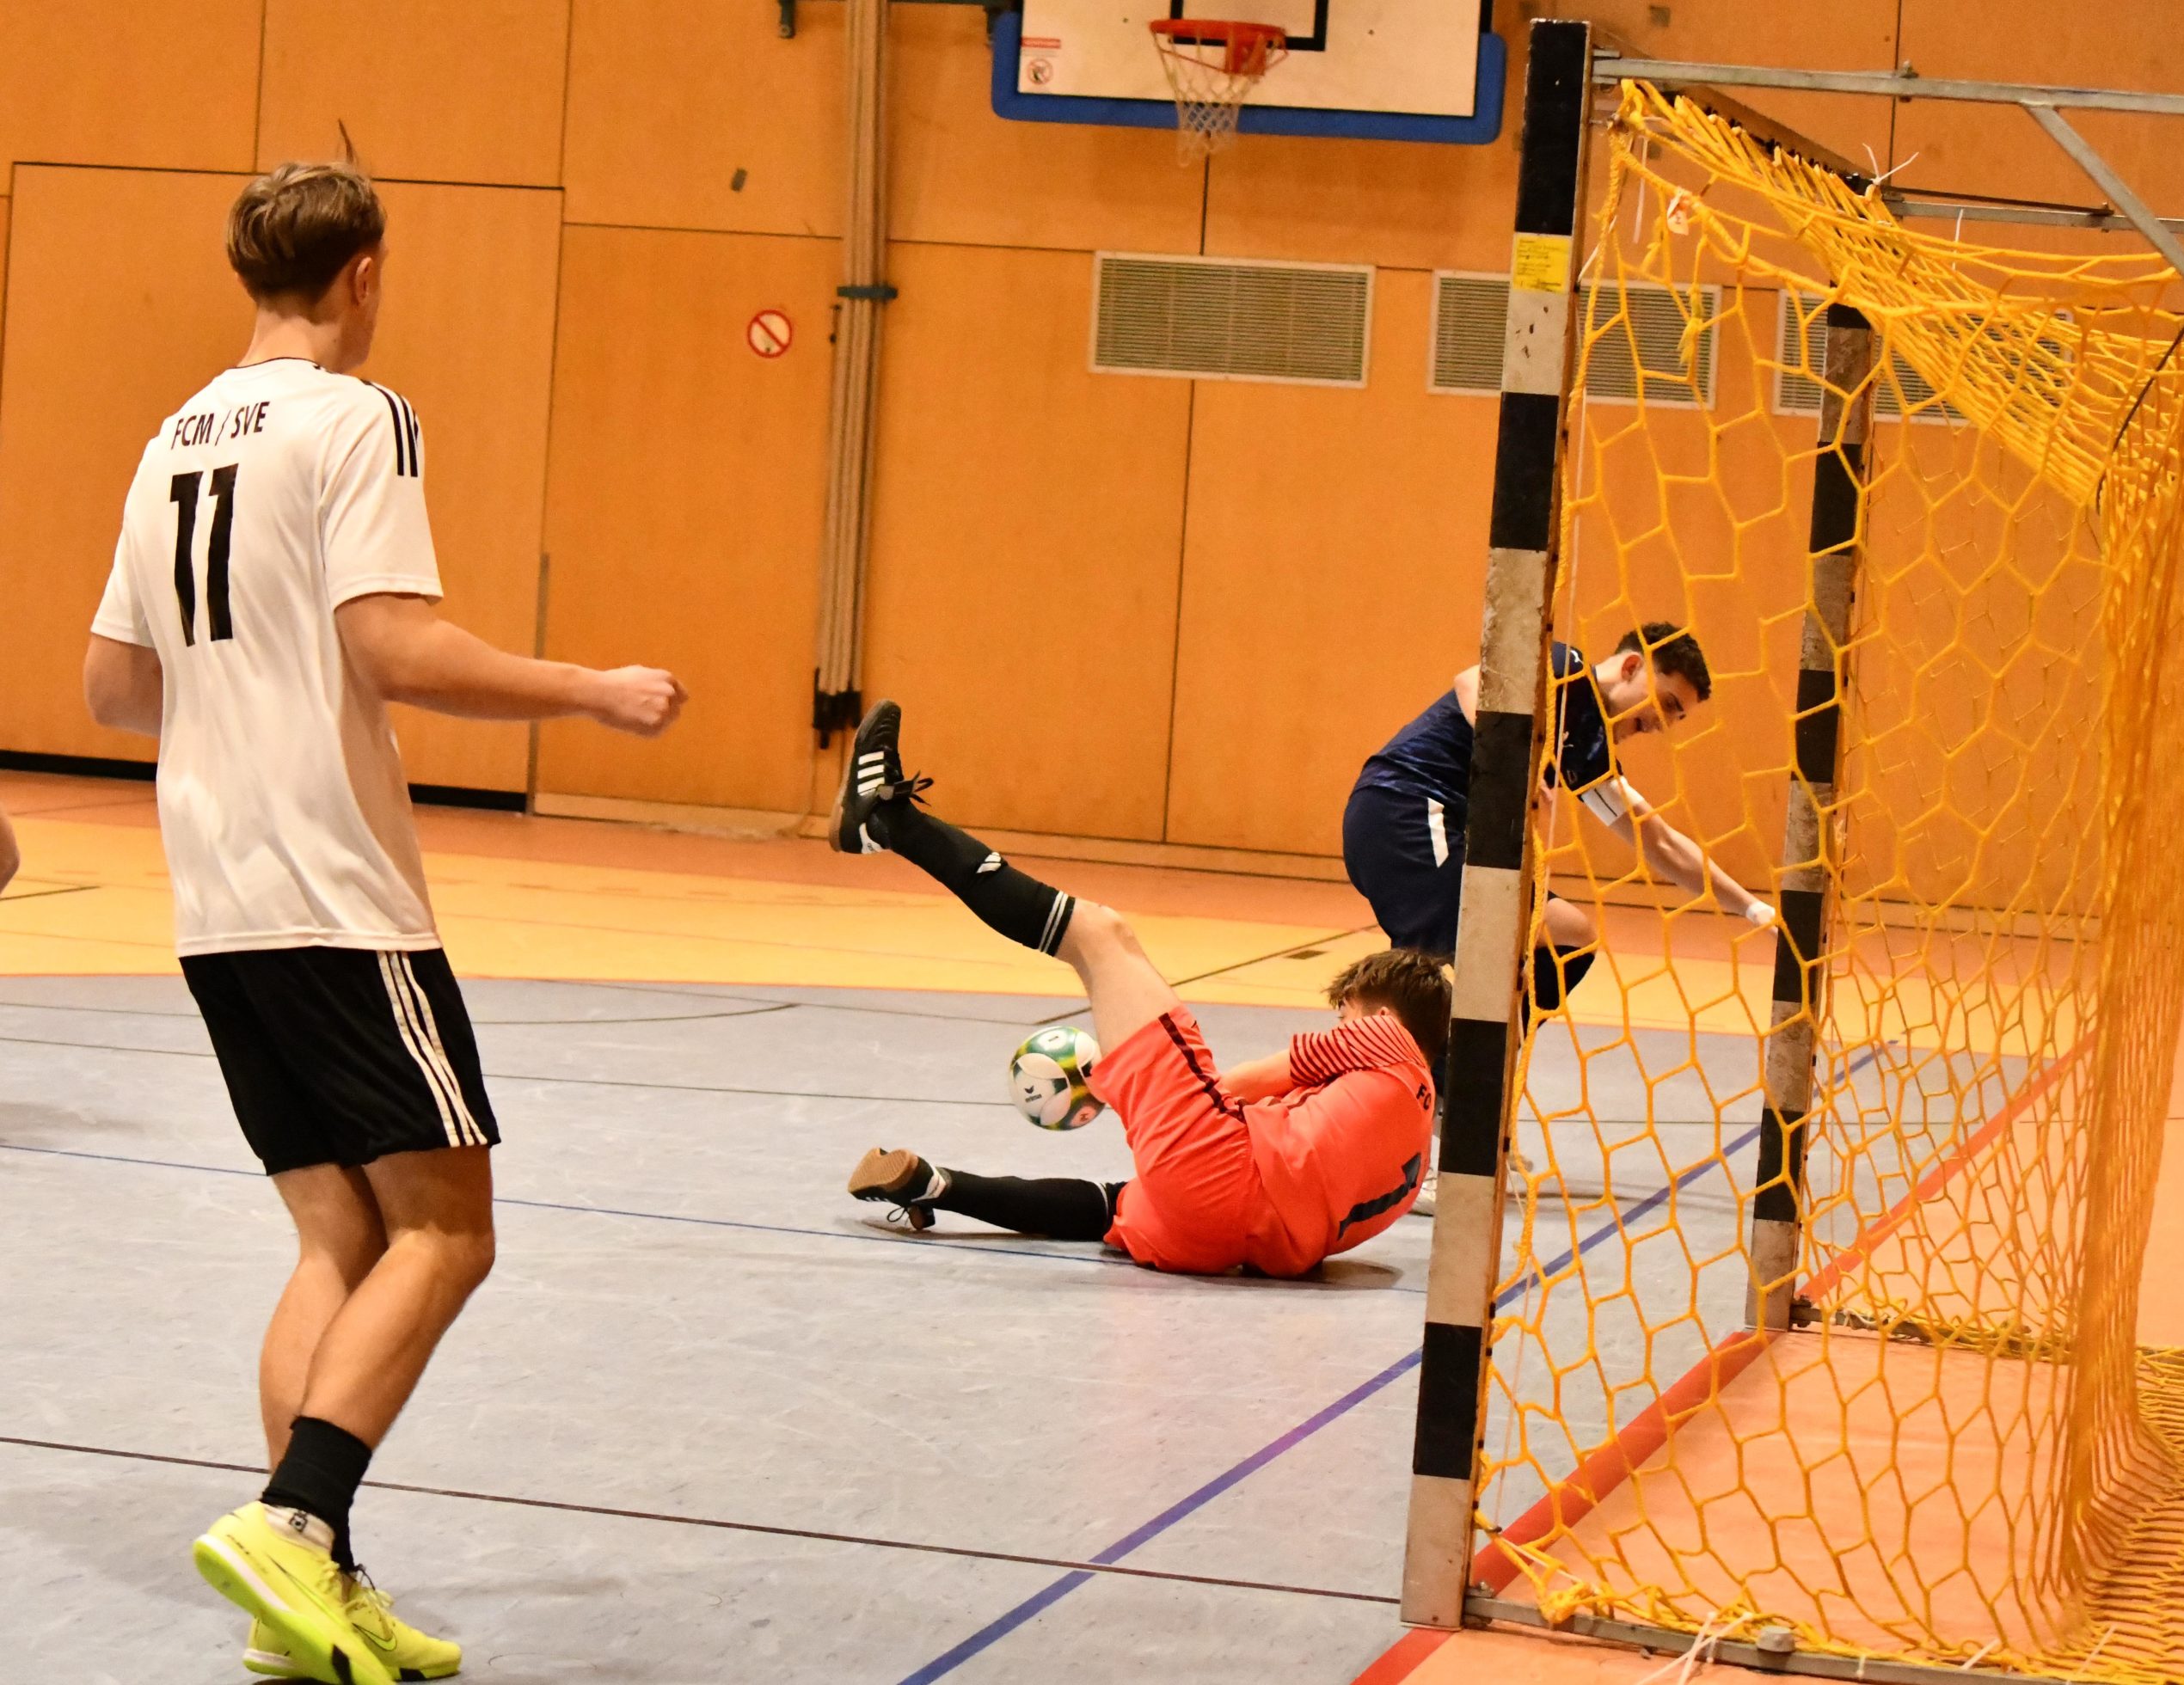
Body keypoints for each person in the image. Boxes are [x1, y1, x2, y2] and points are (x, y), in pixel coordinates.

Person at [83, 160, 684, 1685]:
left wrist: (242, 697)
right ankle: (297, 1522)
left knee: (339, 1237)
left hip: (215, 897)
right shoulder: (359, 417)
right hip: (334, 892)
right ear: (363, 274)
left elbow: (115, 689)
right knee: (447, 1228)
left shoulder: (169, 439)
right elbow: (393, 647)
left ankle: (308, 1596)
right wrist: (591, 691)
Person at [830, 701, 1443, 1277]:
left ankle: (888, 819)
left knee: (1100, 935)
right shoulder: (1414, 1166)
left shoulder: (1387, 1043)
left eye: (1346, 1013)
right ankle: (936, 1185)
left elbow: (1243, 1083)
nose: (1342, 1025)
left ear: (1383, 1012)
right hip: (1221, 1241)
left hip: (1218, 1163)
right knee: (1111, 1204)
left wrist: (1126, 1086)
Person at [1343, 623, 1773, 1020]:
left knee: (1570, 936)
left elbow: (1658, 841)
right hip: (1406, 809)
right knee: (1434, 969)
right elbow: (1471, 682)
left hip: (1435, 829)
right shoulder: (1565, 667)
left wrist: (1753, 909)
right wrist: (1516, 766)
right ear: (1630, 667)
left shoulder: (1587, 749)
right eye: (1667, 703)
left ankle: (1475, 1065)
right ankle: (1401, 1065)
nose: (1662, 725)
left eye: (1676, 718)